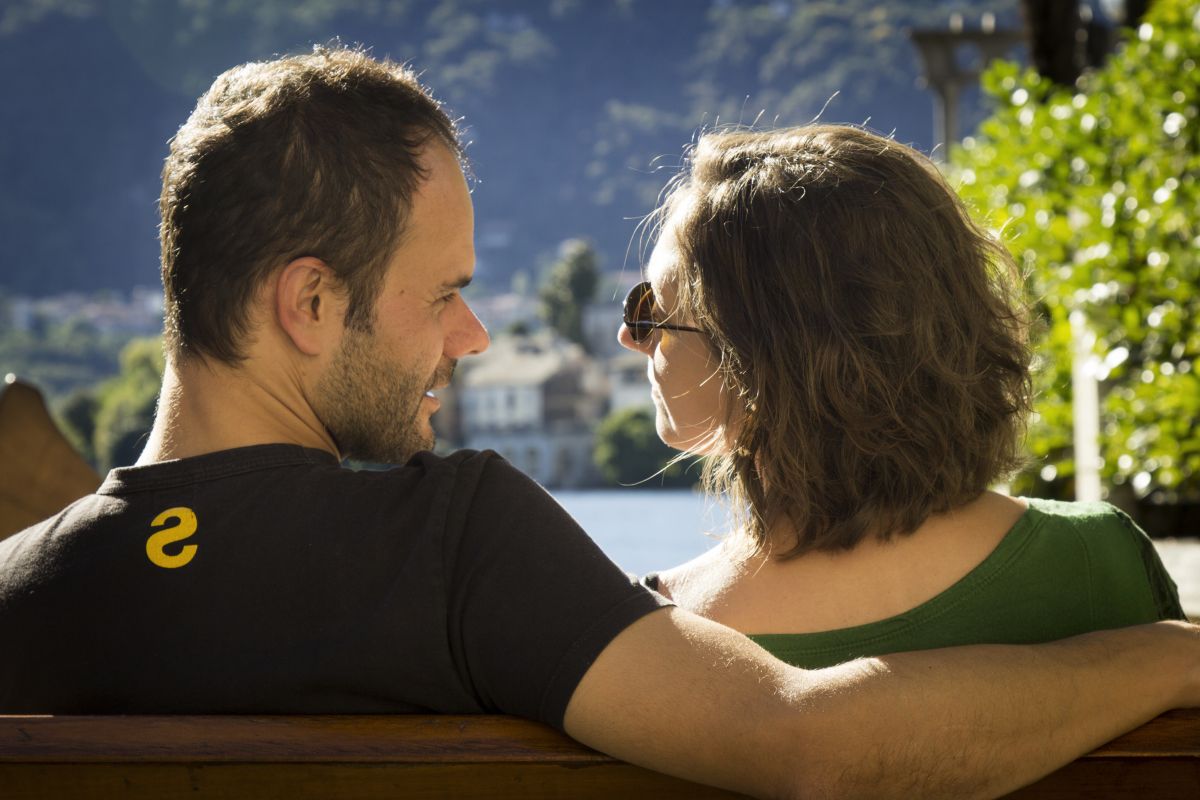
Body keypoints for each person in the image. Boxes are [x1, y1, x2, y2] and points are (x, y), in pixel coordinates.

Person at [0, 47, 1197, 800]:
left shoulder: (18, 597)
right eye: (448, 292)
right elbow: (813, 744)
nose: (473, 339)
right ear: (309, 302)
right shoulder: (458, 549)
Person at [622, 124, 1187, 667]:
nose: (630, 336)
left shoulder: (662, 635)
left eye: (651, 311)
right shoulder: (1100, 562)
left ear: (765, 364)